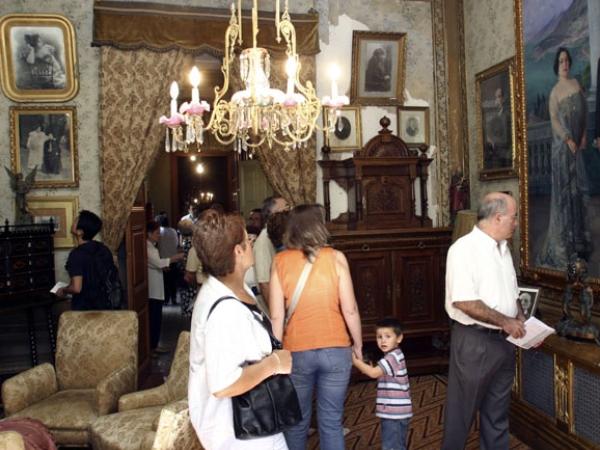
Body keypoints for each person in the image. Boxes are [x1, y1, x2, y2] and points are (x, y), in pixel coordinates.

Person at [188, 209, 292, 450]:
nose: (252, 242)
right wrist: (274, 363)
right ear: (237, 251)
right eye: (247, 240)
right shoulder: (224, 311)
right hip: (238, 431)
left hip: (256, 419)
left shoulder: (235, 287)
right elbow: (223, 384)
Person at [269, 204, 363, 450]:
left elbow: (277, 317)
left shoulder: (279, 261)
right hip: (335, 347)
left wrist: (276, 354)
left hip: (296, 351)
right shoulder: (336, 257)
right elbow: (350, 309)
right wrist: (358, 345)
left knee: (297, 423)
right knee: (331, 422)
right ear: (319, 226)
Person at [441, 192, 526, 450]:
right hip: (474, 343)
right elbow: (464, 301)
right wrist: (506, 321)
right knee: (461, 416)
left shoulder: (504, 249)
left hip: (503, 343)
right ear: (498, 217)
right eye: (514, 217)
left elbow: (510, 291)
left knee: (497, 416)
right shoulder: (463, 250)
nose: (516, 223)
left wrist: (519, 314)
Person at [536, 47, 590, 270]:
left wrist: (584, 134)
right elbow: (555, 123)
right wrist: (568, 139)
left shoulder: (577, 84)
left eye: (567, 60)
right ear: (556, 66)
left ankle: (579, 242)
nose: (565, 64)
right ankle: (565, 246)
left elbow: (585, 112)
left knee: (578, 193)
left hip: (578, 145)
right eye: (561, 61)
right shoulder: (554, 92)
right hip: (563, 149)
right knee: (566, 196)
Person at [352, 318, 412, 450]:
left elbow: (374, 373)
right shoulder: (393, 355)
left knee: (391, 446)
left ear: (399, 338)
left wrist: (355, 361)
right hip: (396, 411)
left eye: (388, 336)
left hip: (394, 413)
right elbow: (378, 373)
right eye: (379, 337)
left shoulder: (392, 357)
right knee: (397, 445)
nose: (383, 340)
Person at [56, 210, 116, 310]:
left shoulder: (76, 254)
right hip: (105, 304)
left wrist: (63, 290)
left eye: (76, 221)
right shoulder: (104, 249)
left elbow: (77, 288)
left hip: (85, 308)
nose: (73, 222)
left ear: (80, 232)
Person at [146, 220, 184, 354]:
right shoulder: (147, 248)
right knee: (154, 318)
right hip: (152, 289)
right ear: (149, 234)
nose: (159, 236)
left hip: (156, 286)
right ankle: (152, 347)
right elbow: (158, 262)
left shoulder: (152, 246)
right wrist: (175, 258)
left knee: (157, 318)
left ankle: (155, 345)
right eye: (156, 233)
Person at [254, 195, 289, 305]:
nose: (289, 213)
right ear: (274, 214)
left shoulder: (280, 237)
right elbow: (264, 284)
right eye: (286, 210)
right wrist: (277, 316)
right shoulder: (264, 241)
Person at [484, 87, 511, 169]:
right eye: (496, 97)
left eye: (499, 97)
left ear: (504, 98)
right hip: (497, 151)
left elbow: (506, 135)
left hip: (505, 153)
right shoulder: (496, 115)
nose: (497, 100)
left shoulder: (507, 114)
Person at [156, 213, 180, 305]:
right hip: (173, 258)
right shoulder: (173, 231)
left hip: (163, 259)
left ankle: (166, 300)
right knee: (173, 281)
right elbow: (177, 243)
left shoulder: (160, 232)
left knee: (164, 282)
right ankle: (174, 299)